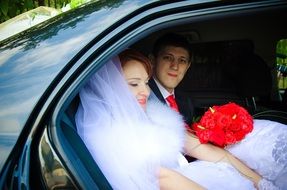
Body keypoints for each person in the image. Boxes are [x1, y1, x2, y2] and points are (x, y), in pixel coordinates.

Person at [75, 49, 279, 190]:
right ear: (110, 89)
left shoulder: (153, 116)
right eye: (133, 84)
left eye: (146, 82)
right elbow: (160, 177)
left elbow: (201, 149)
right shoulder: (108, 134)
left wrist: (260, 182)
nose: (145, 91)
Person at [149, 33, 287, 189]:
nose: (175, 66)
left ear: (188, 66)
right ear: (153, 61)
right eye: (168, 57)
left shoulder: (183, 100)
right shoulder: (145, 98)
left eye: (182, 60)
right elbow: (191, 146)